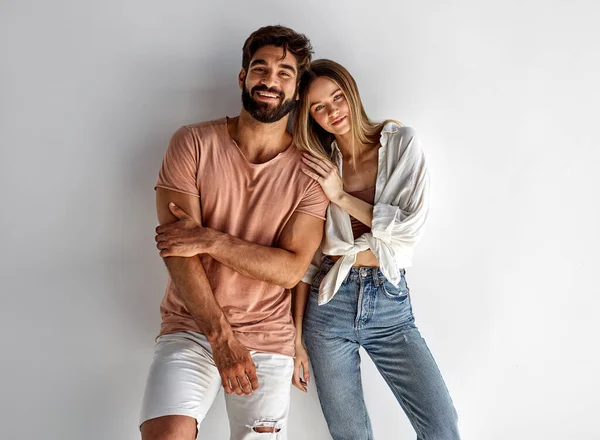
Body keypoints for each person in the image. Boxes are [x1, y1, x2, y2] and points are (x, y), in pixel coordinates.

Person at [139, 26, 329, 440]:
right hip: (192, 327)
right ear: (243, 78)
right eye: (260, 69)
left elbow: (289, 270)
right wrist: (220, 338)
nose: (270, 81)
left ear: (297, 91)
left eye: (284, 74)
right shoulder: (191, 142)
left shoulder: (311, 172)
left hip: (268, 335)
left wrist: (211, 238)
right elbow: (176, 250)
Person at [291, 59, 460, 440]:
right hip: (328, 308)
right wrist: (295, 336)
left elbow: (408, 228)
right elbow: (306, 259)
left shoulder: (401, 143)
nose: (333, 111)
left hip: (389, 302)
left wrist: (340, 196)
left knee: (441, 426)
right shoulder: (317, 166)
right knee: (350, 435)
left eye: (337, 97)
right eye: (318, 107)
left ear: (351, 93)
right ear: (309, 116)